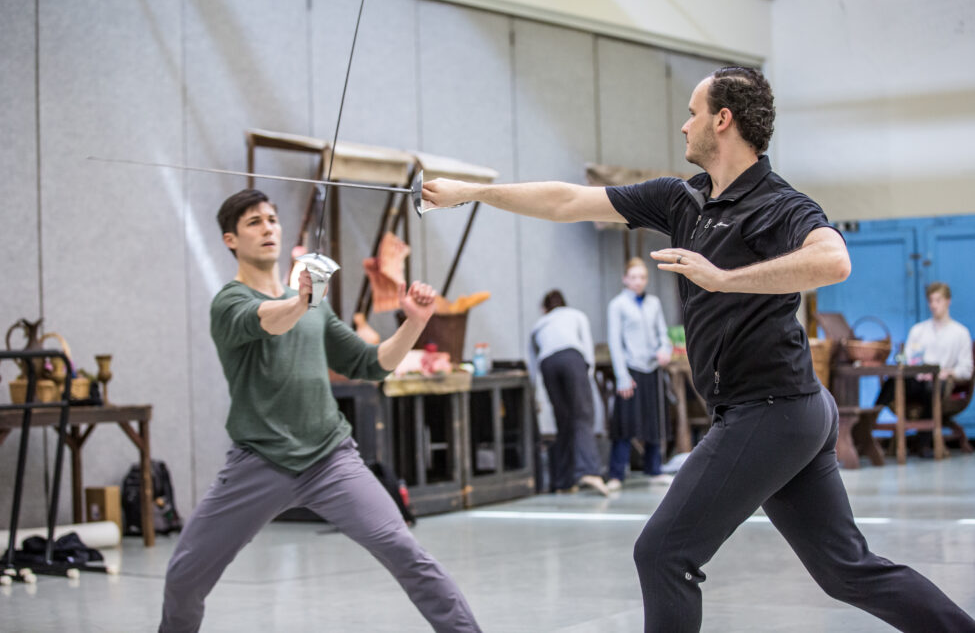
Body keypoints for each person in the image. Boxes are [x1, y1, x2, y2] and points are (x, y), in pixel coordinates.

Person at [423, 66, 975, 632]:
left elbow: (834, 260)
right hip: (787, 413)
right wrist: (473, 193)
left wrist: (724, 278)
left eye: (692, 112)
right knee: (847, 570)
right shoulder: (679, 200)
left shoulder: (780, 205)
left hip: (772, 410)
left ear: (723, 119)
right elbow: (567, 200)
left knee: (663, 553)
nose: (683, 125)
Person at [159, 189, 480, 633]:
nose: (268, 227)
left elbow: (372, 365)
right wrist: (299, 302)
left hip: (331, 459)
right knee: (183, 579)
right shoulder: (229, 303)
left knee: (406, 552)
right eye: (254, 222)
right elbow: (267, 320)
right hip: (259, 462)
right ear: (231, 239)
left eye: (272, 218)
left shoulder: (312, 307)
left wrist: (414, 323)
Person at [876, 281, 973, 452]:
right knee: (893, 382)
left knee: (933, 387)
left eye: (938, 300)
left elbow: (966, 370)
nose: (934, 305)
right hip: (916, 381)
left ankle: (924, 444)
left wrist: (947, 373)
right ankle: (868, 425)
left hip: (941, 383)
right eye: (931, 301)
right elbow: (907, 360)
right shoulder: (918, 330)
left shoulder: (960, 333)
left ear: (947, 301)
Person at [528, 290, 608, 496]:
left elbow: (533, 364)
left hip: (547, 364)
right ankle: (589, 470)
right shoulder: (576, 315)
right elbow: (587, 348)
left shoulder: (538, 325)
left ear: (544, 309)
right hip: (572, 358)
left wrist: (535, 394)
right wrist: (587, 373)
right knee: (583, 415)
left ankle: (562, 481)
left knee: (563, 421)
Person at [606, 258, 673, 490]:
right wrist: (621, 375)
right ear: (625, 279)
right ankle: (616, 473)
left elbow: (662, 333)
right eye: (633, 277)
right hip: (631, 369)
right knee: (625, 422)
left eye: (642, 277)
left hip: (652, 368)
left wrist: (665, 350)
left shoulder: (654, 303)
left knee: (654, 420)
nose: (638, 282)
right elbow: (615, 342)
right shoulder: (617, 305)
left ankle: (654, 469)